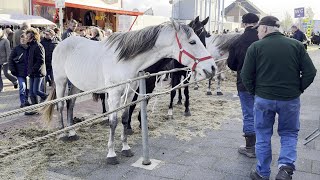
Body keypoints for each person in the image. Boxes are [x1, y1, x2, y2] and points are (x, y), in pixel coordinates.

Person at [241, 16, 317, 180]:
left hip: (263, 99)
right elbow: (310, 72)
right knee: (289, 134)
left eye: (259, 30)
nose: (257, 34)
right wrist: (298, 89)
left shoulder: (256, 47)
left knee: (263, 135)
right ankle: (285, 168)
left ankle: (262, 173)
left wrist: (256, 92)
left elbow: (245, 75)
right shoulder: (296, 45)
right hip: (290, 99)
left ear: (265, 29)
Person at [227, 13, 260, 158]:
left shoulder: (237, 41)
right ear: (257, 23)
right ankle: (262, 144)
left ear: (243, 24)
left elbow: (232, 65)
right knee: (262, 113)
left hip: (244, 83)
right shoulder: (263, 39)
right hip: (264, 84)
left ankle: (250, 147)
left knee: (248, 114)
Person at [26, 28, 47, 105]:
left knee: (36, 91)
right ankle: (35, 108)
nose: (26, 38)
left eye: (28, 37)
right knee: (31, 93)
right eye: (26, 36)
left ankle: (49, 98)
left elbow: (41, 60)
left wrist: (33, 69)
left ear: (33, 37)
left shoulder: (38, 46)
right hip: (32, 73)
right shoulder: (30, 46)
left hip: (38, 72)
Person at [8, 32, 30, 107]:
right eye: (22, 38)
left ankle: (26, 100)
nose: (23, 40)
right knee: (22, 87)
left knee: (28, 88)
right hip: (19, 72)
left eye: (25, 38)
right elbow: (10, 59)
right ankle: (23, 102)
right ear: (20, 39)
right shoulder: (16, 49)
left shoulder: (30, 47)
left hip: (29, 72)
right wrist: (12, 69)